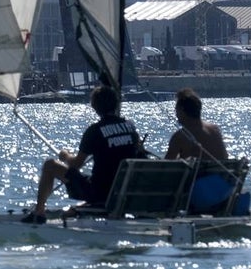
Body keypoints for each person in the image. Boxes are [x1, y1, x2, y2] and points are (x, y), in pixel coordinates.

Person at [22, 85, 144, 224]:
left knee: (50, 165)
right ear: (116, 103)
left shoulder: (94, 131)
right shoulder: (130, 128)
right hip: (124, 191)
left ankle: (39, 212)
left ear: (94, 107)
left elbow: (76, 164)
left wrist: (65, 156)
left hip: (99, 193)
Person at [165, 88, 228, 161]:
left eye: (176, 110)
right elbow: (225, 157)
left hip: (199, 168)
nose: (176, 114)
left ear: (181, 111)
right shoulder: (215, 129)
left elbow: (164, 165)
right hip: (221, 168)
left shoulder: (180, 137)